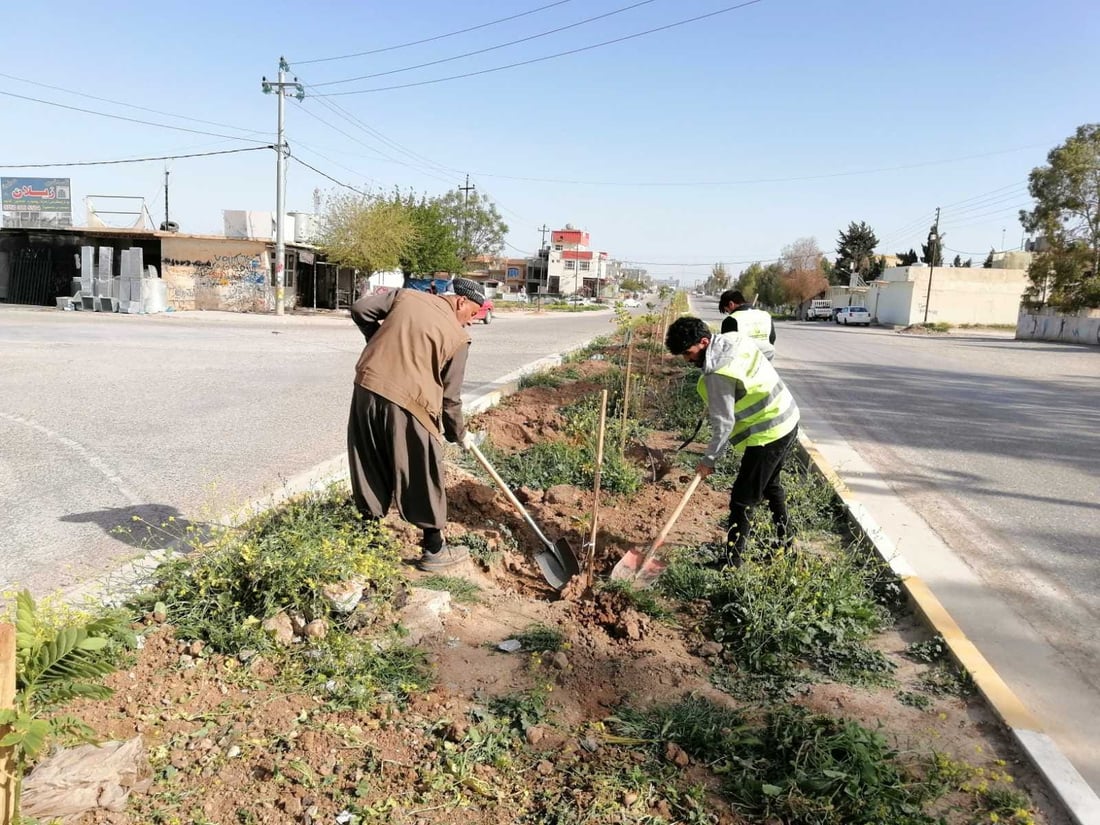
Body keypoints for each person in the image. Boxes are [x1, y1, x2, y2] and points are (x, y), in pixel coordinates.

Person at [347, 277, 486, 571]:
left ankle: (367, 542)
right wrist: (459, 434)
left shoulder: (407, 296)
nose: (471, 322)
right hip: (410, 404)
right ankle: (434, 549)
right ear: (461, 302)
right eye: (472, 314)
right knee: (421, 469)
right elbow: (450, 398)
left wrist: (375, 339)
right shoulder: (458, 338)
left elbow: (360, 308)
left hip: (367, 389)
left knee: (369, 461)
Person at [665, 316, 800, 567]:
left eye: (688, 353)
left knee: (742, 498)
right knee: (771, 486)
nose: (687, 359)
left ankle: (732, 561)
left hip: (769, 432)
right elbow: (768, 351)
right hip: (788, 417)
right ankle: (787, 542)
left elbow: (724, 425)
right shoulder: (733, 339)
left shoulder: (718, 373)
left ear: (704, 342)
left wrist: (709, 460)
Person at [718, 289, 775, 360]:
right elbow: (772, 340)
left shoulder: (731, 320)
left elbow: (727, 349)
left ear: (731, 304)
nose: (728, 313)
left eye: (727, 310)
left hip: (742, 366)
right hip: (764, 363)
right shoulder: (766, 316)